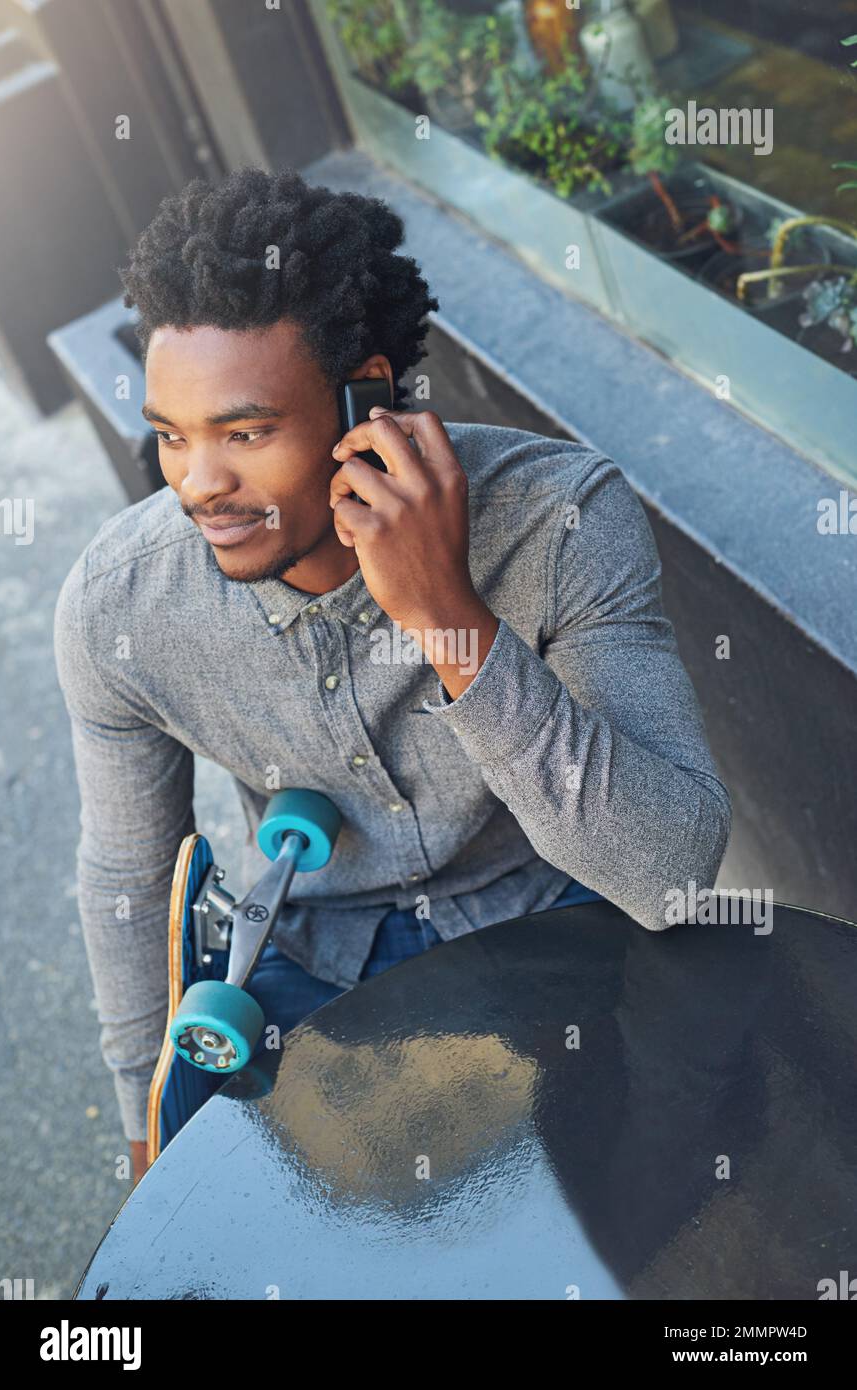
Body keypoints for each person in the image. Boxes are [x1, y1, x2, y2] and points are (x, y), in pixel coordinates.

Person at [54, 167, 731, 1182]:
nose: (197, 483)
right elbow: (129, 880)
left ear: (363, 394)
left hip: (558, 924)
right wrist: (150, 1125)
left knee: (655, 1196)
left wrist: (447, 616)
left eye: (244, 434)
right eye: (170, 436)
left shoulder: (563, 522)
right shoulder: (121, 607)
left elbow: (671, 873)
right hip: (312, 960)